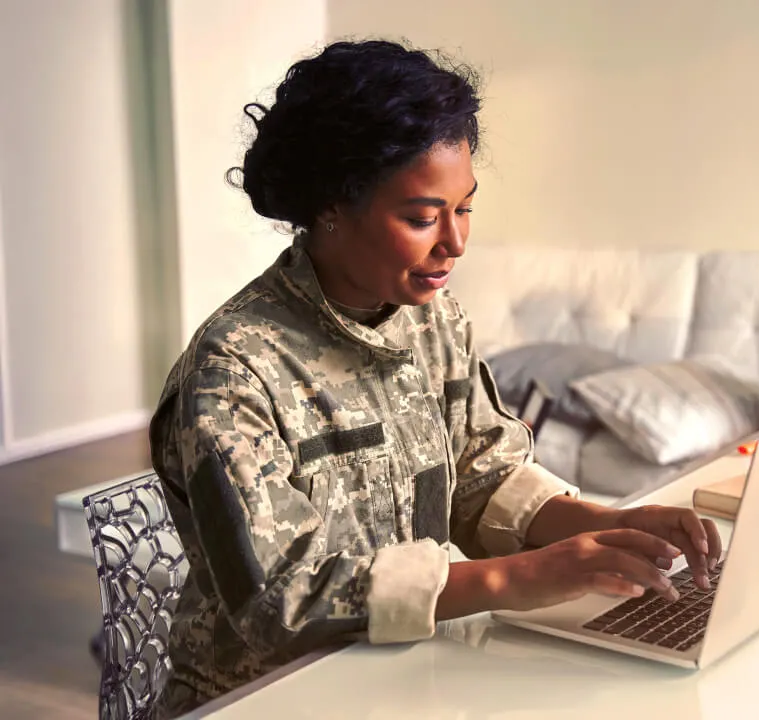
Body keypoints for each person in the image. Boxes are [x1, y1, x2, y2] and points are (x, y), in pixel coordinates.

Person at [149, 38, 722, 718]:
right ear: (330, 208)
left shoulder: (433, 320)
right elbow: (281, 598)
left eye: (465, 208)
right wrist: (517, 576)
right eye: (422, 217)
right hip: (270, 695)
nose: (455, 242)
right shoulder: (234, 370)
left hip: (412, 672)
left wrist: (605, 526)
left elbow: (483, 476)